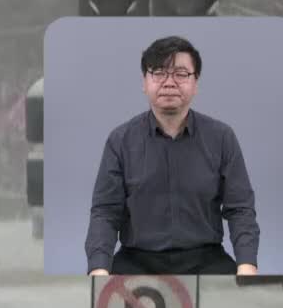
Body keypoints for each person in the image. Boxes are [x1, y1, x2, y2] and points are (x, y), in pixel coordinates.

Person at [86, 35, 260, 277]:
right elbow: (105, 212)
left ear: (195, 83)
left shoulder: (221, 138)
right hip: (136, 262)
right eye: (158, 72)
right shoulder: (120, 141)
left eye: (180, 73)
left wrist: (247, 264)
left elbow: (240, 208)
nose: (169, 82)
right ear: (144, 82)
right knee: (104, 304)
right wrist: (98, 267)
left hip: (206, 260)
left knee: (238, 307)